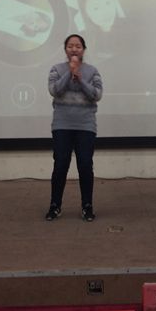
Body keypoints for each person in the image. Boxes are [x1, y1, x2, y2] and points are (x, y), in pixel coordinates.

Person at [45, 34, 103, 222]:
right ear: (65, 50)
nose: (74, 49)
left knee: (85, 165)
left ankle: (87, 206)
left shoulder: (92, 71)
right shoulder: (57, 69)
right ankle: (55, 205)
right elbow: (54, 90)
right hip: (62, 125)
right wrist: (69, 73)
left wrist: (80, 78)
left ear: (83, 50)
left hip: (86, 125)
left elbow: (97, 95)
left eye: (78, 46)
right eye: (70, 46)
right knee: (60, 165)